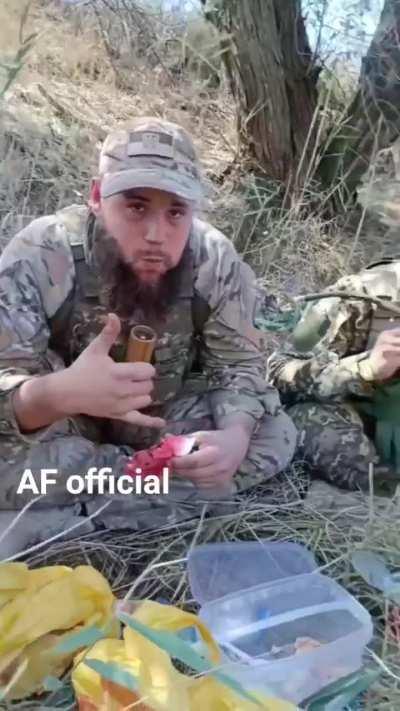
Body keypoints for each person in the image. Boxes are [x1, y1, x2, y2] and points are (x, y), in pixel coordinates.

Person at [0, 116, 296, 555]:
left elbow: (237, 365)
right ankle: (146, 500)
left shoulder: (213, 259)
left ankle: (71, 512)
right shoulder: (42, 252)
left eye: (176, 212)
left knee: (275, 435)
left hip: (161, 427)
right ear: (98, 197)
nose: (156, 236)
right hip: (60, 430)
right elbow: (8, 382)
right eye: (136, 207)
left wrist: (232, 437)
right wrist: (59, 394)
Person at [267, 257, 400, 493]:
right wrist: (364, 368)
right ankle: (382, 488)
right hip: (356, 423)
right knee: (312, 422)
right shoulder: (360, 295)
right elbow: (279, 371)